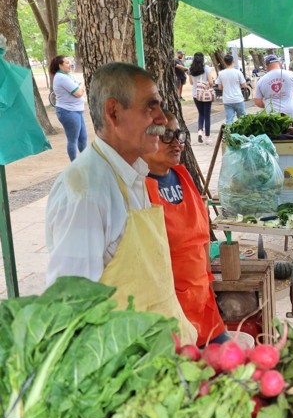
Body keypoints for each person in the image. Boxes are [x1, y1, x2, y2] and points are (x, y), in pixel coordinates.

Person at [45, 62, 197, 345]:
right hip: (127, 370)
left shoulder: (132, 174)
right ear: (113, 112)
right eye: (150, 107)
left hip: (162, 358)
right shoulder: (86, 193)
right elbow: (71, 310)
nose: (162, 119)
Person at [141, 111, 228, 346]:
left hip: (203, 302)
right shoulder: (138, 190)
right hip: (168, 310)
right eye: (167, 135)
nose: (177, 143)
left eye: (179, 134)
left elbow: (201, 240)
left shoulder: (182, 175)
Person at [49, 55, 87, 161]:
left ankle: (85, 162)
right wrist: (81, 88)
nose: (70, 65)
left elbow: (79, 86)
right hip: (68, 112)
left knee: (83, 138)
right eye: (66, 63)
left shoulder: (67, 76)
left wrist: (80, 87)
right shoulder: (61, 77)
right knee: (73, 140)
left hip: (77, 111)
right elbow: (78, 92)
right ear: (60, 65)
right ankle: (74, 164)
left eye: (69, 62)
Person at [253, 54, 293, 121]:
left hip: (272, 115)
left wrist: (266, 106)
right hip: (290, 113)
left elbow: (257, 101)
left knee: (275, 131)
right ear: (279, 63)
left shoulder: (261, 80)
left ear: (266, 65)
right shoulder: (290, 74)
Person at [188, 52, 215, 144]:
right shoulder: (206, 68)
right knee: (207, 115)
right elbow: (211, 82)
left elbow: (191, 83)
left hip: (196, 94)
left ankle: (200, 131)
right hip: (206, 94)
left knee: (201, 114)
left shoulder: (191, 69)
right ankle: (207, 137)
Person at [216, 53, 248, 125]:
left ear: (224, 62)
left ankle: (228, 134)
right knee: (243, 120)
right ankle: (242, 134)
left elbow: (220, 87)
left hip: (227, 100)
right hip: (238, 99)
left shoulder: (221, 73)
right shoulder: (238, 72)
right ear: (233, 61)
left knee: (229, 120)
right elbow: (244, 85)